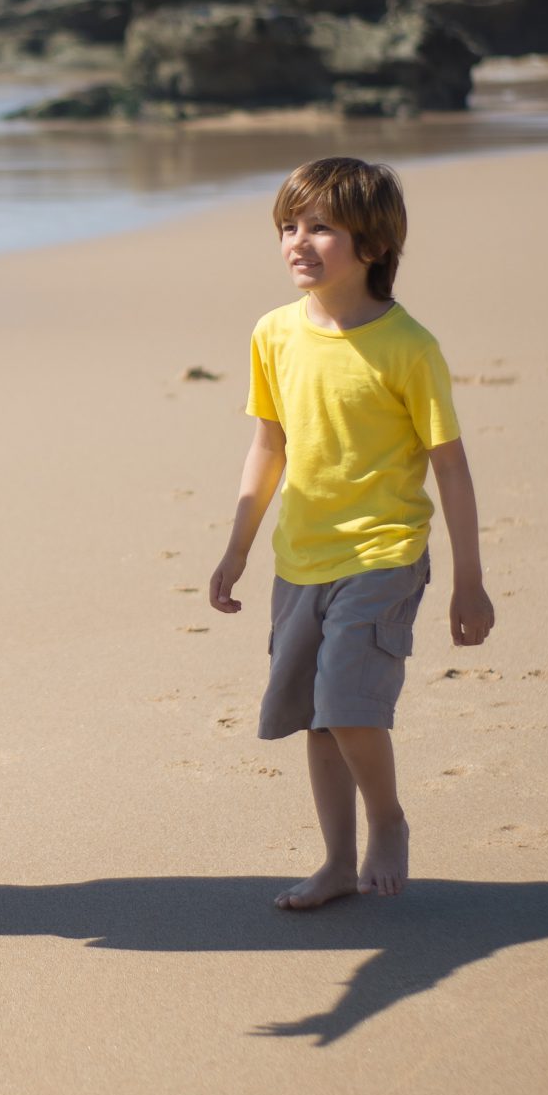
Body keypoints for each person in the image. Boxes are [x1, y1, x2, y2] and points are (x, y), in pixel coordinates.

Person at [206, 158, 494, 910]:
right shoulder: (272, 334)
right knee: (315, 718)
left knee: (349, 706)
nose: (298, 241)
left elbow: (452, 468)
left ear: (371, 245)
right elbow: (269, 446)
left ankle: (388, 822)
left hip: (383, 554)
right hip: (300, 558)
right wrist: (236, 547)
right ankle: (336, 862)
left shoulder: (409, 347)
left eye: (320, 227)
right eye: (288, 226)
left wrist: (469, 578)